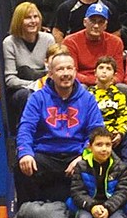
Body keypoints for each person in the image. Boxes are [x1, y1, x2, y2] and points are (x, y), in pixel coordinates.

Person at [16, 52, 103, 202]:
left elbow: (97, 133)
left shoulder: (88, 99)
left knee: (95, 163)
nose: (66, 74)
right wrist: (26, 153)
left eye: (69, 68)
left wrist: (83, 156)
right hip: (45, 155)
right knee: (22, 165)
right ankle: (28, 216)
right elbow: (26, 128)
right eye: (60, 69)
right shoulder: (38, 98)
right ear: (50, 73)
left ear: (75, 71)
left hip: (76, 155)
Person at [2, 3, 52, 125]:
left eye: (36, 16)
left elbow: (52, 71)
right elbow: (10, 79)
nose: (33, 21)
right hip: (20, 90)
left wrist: (42, 84)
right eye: (28, 18)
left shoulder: (48, 39)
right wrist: (34, 85)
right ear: (19, 21)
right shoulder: (9, 42)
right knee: (28, 95)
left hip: (45, 85)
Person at [65, 3, 125, 86]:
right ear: (85, 22)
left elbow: (119, 74)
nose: (96, 26)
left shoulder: (116, 42)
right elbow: (71, 71)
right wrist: (96, 81)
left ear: (105, 25)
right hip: (83, 83)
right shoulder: (71, 41)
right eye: (92, 21)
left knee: (122, 87)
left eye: (101, 22)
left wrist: (109, 81)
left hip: (108, 83)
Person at [91, 56, 127, 157]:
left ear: (114, 75)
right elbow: (90, 118)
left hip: (116, 132)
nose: (104, 71)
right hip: (97, 131)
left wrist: (120, 133)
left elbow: (123, 117)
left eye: (108, 69)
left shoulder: (119, 95)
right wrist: (108, 132)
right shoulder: (89, 95)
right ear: (95, 72)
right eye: (101, 68)